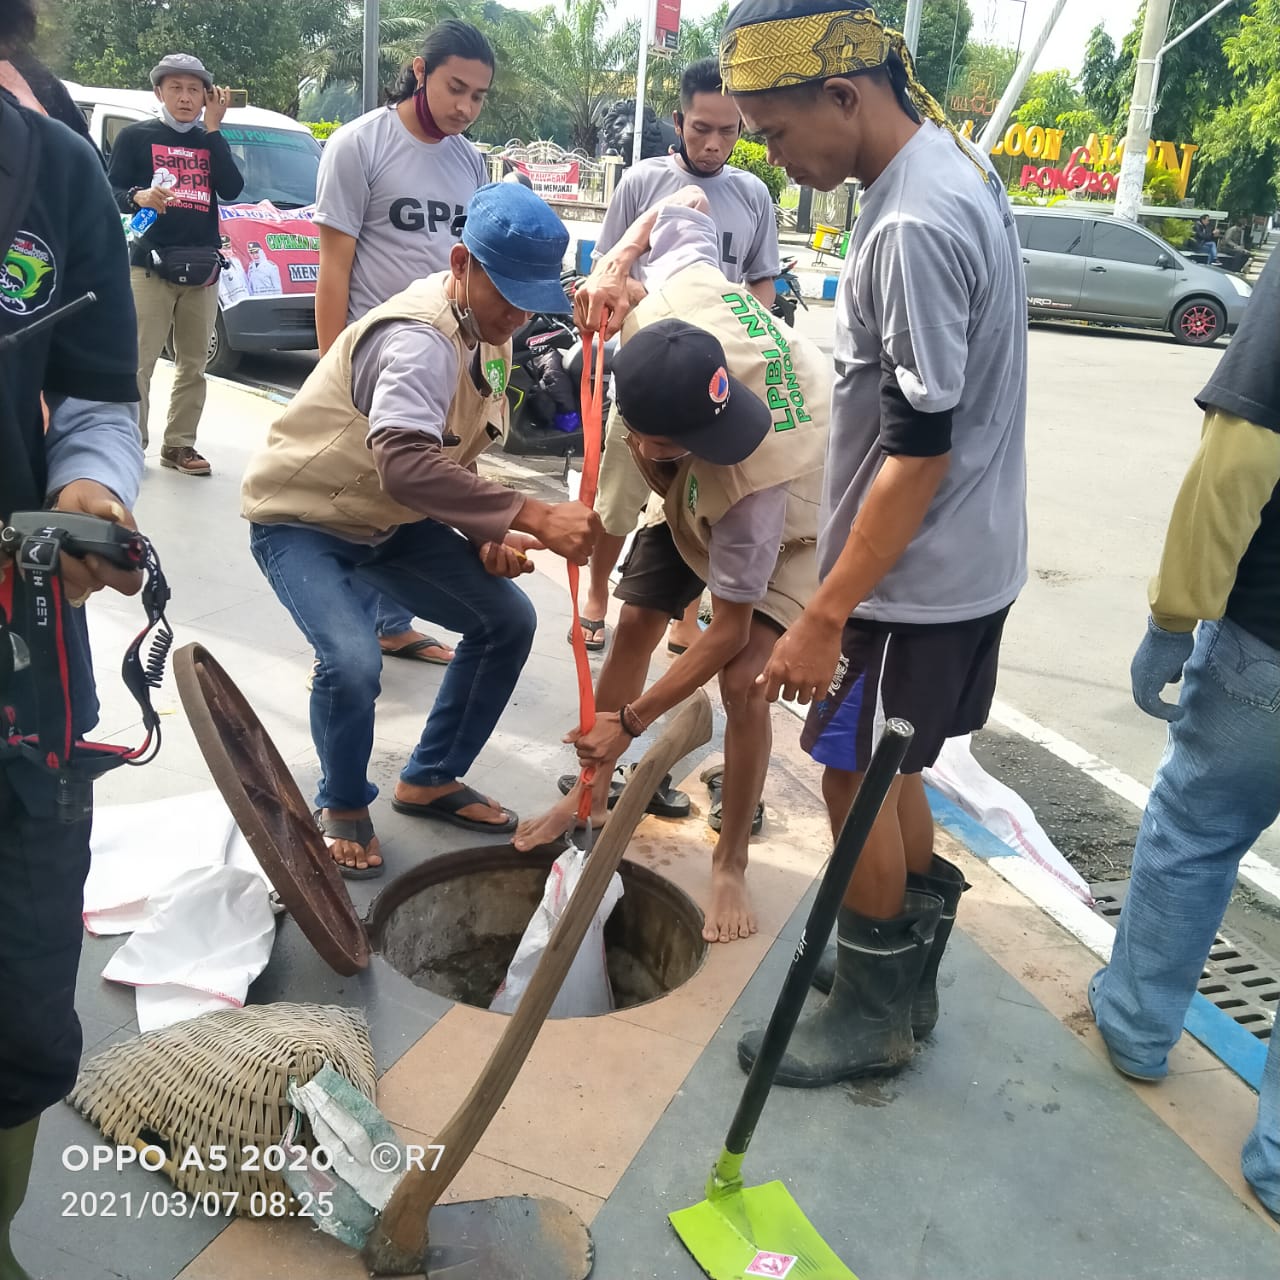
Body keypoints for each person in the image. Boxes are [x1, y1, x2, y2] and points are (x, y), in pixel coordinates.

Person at [721, 0, 1028, 1087]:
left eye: (771, 132)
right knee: (892, 762)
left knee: (846, 774)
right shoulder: (951, 167)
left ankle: (871, 1011)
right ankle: (901, 968)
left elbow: (917, 449)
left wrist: (821, 611)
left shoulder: (907, 222)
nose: (773, 156)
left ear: (842, 96)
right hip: (954, 568)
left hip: (910, 583)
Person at [241, 182, 601, 877]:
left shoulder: (488, 335)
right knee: (351, 662)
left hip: (394, 522)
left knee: (507, 620)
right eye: (509, 293)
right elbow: (405, 462)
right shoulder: (418, 339)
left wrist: (484, 534)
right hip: (305, 521)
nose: (520, 315)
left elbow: (445, 458)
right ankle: (342, 802)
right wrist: (530, 514)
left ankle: (431, 776)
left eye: (533, 299)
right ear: (462, 263)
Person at [514, 190, 830, 944]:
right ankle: (587, 799)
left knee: (745, 683)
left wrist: (632, 721)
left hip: (794, 512)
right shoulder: (677, 293)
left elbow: (725, 632)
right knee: (632, 626)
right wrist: (617, 262)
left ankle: (731, 861)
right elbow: (682, 201)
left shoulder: (750, 480)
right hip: (686, 484)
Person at [1088, 250, 1280, 1223]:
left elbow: (1241, 454)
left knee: (1195, 829)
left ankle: (1133, 1024)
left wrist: (1172, 619)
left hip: (1266, 646)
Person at [1, 2, 145, 1273]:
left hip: (18, 669)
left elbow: (98, 393)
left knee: (18, 1006)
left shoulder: (54, 174)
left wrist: (90, 496)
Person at [575, 57, 782, 658]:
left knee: (701, 499)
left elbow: (761, 285)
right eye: (701, 128)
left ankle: (683, 615)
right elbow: (608, 267)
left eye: (728, 131)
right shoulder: (643, 183)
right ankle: (595, 594)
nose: (714, 143)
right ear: (678, 121)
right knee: (617, 496)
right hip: (647, 373)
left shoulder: (753, 195)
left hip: (716, 385)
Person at [313, 20, 494, 669]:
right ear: (419, 71)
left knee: (410, 494)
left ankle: (389, 623)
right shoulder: (360, 145)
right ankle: (340, 640)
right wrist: (330, 369)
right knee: (352, 501)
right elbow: (334, 266)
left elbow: (472, 267)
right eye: (455, 88)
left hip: (442, 357)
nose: (464, 108)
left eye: (478, 96)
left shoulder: (470, 161)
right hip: (369, 359)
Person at [107, 53, 244, 476]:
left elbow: (234, 188)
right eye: (176, 88)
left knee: (193, 364)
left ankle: (179, 445)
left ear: (206, 96)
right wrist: (138, 196)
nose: (185, 98)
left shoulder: (210, 139)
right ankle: (133, 444)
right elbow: (108, 190)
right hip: (148, 265)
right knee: (139, 361)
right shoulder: (135, 138)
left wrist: (215, 129)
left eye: (194, 89)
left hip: (202, 266)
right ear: (159, 92)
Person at [217, 234, 249, 308]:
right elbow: (222, 290)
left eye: (228, 248)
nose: (226, 251)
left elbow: (245, 281)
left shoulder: (237, 262)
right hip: (234, 305)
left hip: (247, 299)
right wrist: (229, 305)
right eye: (223, 249)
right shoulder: (219, 266)